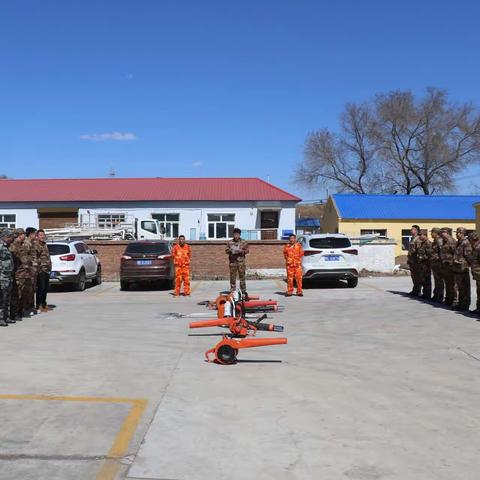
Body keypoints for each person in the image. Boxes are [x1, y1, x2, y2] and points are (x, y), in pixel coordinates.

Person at [9, 228, 32, 319]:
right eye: (23, 234)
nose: (25, 236)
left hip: (24, 273)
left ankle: (20, 311)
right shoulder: (14, 245)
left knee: (23, 293)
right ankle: (14, 314)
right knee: (17, 294)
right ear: (19, 235)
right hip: (18, 273)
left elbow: (27, 257)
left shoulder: (22, 244)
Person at [452, 227, 472, 312]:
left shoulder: (466, 243)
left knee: (465, 288)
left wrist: (465, 264)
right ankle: (461, 304)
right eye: (456, 233)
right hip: (457, 269)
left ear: (462, 233)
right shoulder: (458, 243)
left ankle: (465, 305)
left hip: (463, 269)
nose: (456, 234)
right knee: (459, 288)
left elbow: (468, 256)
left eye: (458, 233)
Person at [226, 228, 249, 297]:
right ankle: (232, 290)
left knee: (242, 277)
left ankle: (243, 291)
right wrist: (230, 250)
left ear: (239, 235)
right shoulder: (230, 242)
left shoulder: (244, 242)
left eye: (237, 234)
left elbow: (247, 251)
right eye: (235, 234)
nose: (236, 236)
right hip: (232, 262)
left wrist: (242, 251)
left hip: (241, 262)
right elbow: (226, 250)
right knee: (232, 277)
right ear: (233, 234)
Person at [0, 229, 15, 326]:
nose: (12, 239)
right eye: (10, 237)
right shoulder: (0, 247)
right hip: (2, 276)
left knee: (7, 298)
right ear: (5, 237)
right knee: (2, 298)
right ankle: (1, 318)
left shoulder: (6, 246)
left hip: (8, 276)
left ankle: (6, 317)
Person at [35, 229, 52, 312]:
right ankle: (39, 305)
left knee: (45, 288)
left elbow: (47, 256)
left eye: (43, 235)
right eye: (40, 235)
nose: (42, 236)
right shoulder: (36, 245)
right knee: (41, 288)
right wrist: (39, 267)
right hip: (40, 270)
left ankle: (44, 304)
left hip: (47, 269)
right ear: (37, 236)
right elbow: (35, 258)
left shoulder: (45, 244)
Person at [439, 227, 457, 307]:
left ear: (447, 233)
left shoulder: (451, 241)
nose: (441, 234)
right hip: (445, 266)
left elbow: (455, 254)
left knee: (453, 284)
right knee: (448, 283)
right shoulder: (444, 241)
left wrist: (452, 263)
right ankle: (448, 299)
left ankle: (454, 300)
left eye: (442, 232)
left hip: (450, 266)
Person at [25, 227, 38, 314]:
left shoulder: (31, 243)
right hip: (28, 270)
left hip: (32, 270)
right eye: (35, 234)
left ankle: (30, 307)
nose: (36, 236)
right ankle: (26, 308)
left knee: (32, 289)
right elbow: (26, 258)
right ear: (31, 234)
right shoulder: (27, 243)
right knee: (28, 290)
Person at [407, 225, 422, 296]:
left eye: (412, 229)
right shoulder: (412, 239)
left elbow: (419, 251)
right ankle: (415, 290)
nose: (411, 231)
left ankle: (418, 290)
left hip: (416, 261)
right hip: (412, 261)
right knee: (413, 276)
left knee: (418, 276)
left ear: (416, 231)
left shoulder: (418, 239)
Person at [416, 229, 432, 299]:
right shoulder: (422, 243)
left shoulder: (428, 243)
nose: (419, 237)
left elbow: (429, 255)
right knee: (423, 279)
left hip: (426, 264)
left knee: (427, 279)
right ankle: (425, 293)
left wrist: (421, 257)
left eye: (420, 235)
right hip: (422, 264)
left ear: (425, 235)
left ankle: (427, 294)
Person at [467, 232, 480, 315]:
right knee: (479, 292)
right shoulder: (474, 247)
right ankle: (478, 309)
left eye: (469, 239)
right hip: (477, 275)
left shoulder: (478, 247)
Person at [430, 227, 444, 302]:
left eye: (432, 232)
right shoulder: (435, 241)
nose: (431, 234)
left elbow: (441, 253)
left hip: (438, 264)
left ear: (436, 233)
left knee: (440, 281)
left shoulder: (439, 241)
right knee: (436, 280)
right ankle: (436, 295)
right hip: (435, 264)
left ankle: (440, 296)